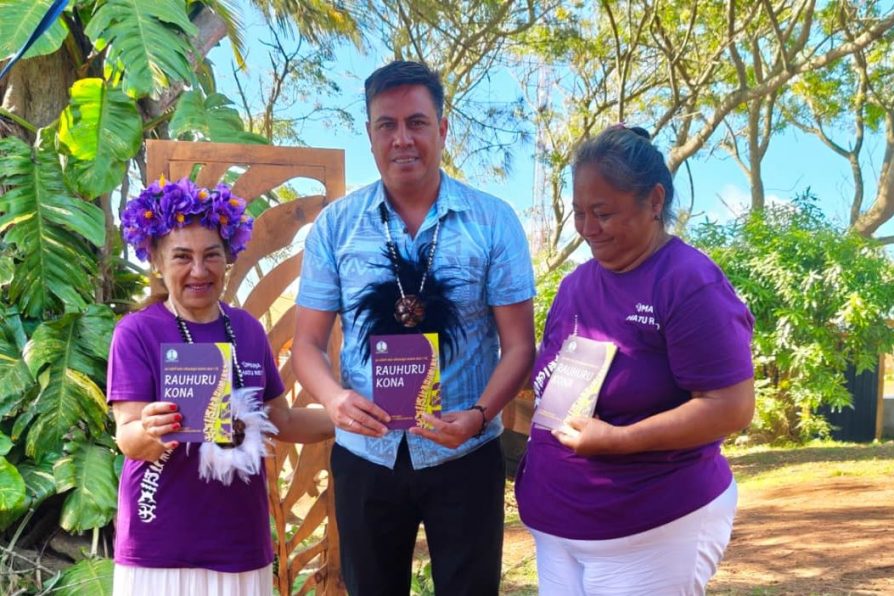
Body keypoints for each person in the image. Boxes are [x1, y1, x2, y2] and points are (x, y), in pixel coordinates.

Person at [292, 60, 536, 595]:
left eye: (417, 123)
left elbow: (520, 347)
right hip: (367, 456)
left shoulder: (493, 221)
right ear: (370, 134)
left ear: (443, 128)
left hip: (464, 454)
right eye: (387, 124)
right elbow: (306, 346)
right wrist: (334, 401)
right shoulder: (336, 226)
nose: (403, 139)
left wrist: (477, 417)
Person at [515, 125, 755, 596]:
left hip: (651, 524)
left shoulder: (688, 282)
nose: (586, 229)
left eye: (602, 213)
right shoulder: (575, 285)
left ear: (654, 201)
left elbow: (730, 405)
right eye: (579, 213)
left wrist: (620, 440)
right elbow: (554, 380)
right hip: (559, 523)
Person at [108, 177, 333, 596]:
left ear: (227, 257)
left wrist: (349, 416)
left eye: (212, 255)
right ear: (156, 260)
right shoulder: (137, 332)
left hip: (239, 543)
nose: (199, 270)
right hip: (161, 546)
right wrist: (150, 429)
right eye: (182, 257)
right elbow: (128, 436)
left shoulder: (245, 330)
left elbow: (279, 419)